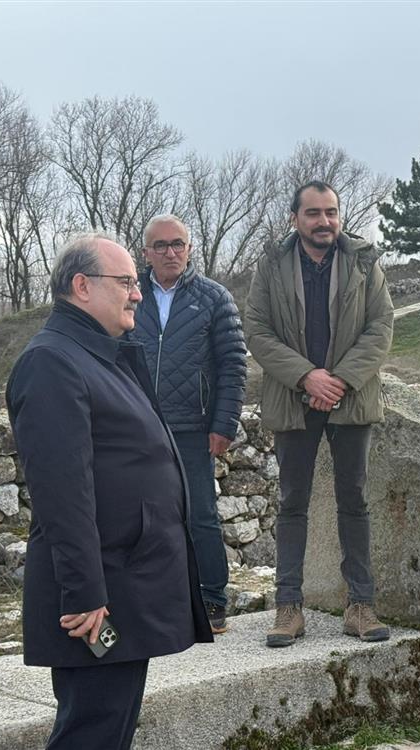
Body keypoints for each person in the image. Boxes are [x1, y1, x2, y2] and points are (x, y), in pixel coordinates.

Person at [6, 232, 213, 749]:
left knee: (108, 730)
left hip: (124, 580)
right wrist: (85, 593)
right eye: (125, 282)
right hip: (98, 594)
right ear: (82, 286)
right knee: (92, 732)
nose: (138, 293)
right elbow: (62, 492)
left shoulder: (99, 356)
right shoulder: (52, 362)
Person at [245, 180, 394, 648]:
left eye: (331, 212)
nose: (324, 221)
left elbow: (381, 326)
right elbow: (257, 330)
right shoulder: (271, 264)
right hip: (294, 397)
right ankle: (288, 608)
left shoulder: (364, 261)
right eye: (313, 213)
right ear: (295, 219)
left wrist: (340, 381)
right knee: (292, 501)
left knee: (354, 500)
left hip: (351, 397)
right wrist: (307, 377)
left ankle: (360, 606)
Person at [133, 214, 247, 634]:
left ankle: (212, 598)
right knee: (142, 517)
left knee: (201, 516)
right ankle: (153, 598)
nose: (170, 252)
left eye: (177, 243)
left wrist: (224, 423)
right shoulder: (129, 294)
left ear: (190, 248)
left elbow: (233, 366)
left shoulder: (214, 298)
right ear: (146, 253)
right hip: (137, 426)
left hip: (193, 427)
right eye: (161, 245)